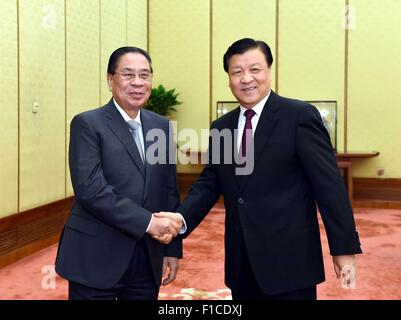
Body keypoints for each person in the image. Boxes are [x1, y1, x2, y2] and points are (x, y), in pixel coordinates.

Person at [155, 38, 362, 300]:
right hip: (241, 262)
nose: (246, 79)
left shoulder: (299, 116)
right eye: (237, 72)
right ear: (228, 78)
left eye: (255, 69)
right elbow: (209, 184)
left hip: (290, 262)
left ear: (269, 72)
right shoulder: (222, 127)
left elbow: (329, 187)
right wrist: (179, 221)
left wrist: (343, 249)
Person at [55, 46, 183, 300]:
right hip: (96, 255)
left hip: (148, 257)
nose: (137, 82)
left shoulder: (162, 127)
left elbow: (169, 190)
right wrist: (149, 224)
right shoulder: (88, 124)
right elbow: (91, 190)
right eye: (128, 74)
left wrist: (172, 248)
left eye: (144, 75)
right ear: (110, 80)